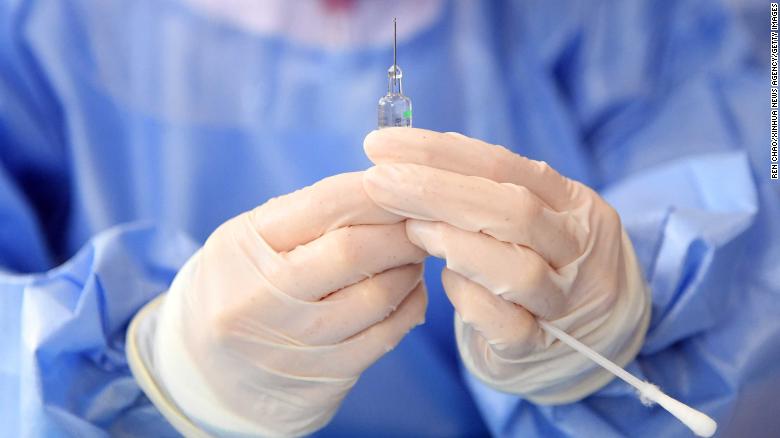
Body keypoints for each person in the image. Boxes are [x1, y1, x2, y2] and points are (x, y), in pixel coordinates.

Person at [0, 0, 775, 436]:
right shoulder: (38, 33)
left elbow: (743, 192)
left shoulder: (631, 19)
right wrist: (158, 369)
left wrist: (627, 305)